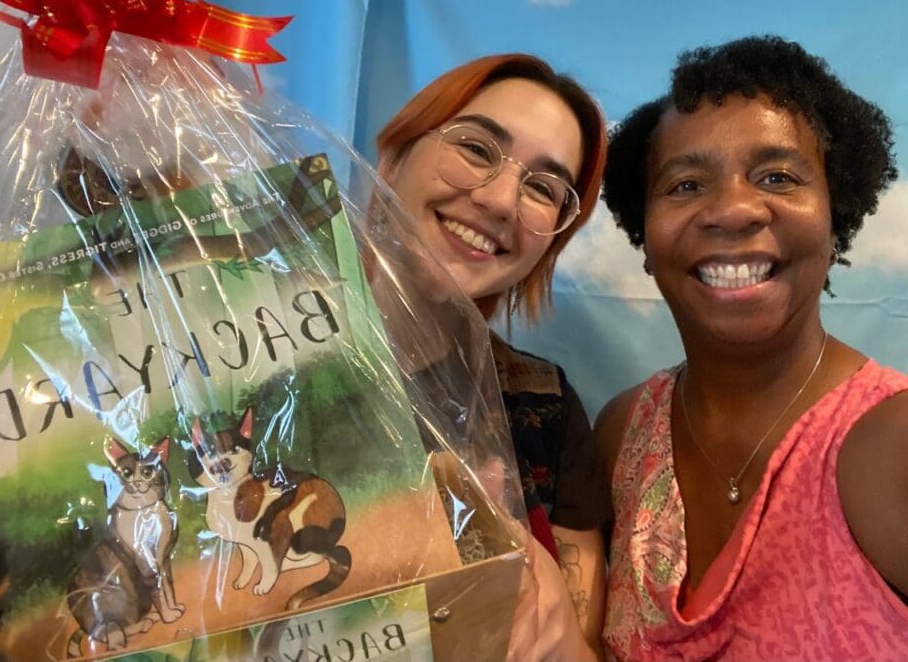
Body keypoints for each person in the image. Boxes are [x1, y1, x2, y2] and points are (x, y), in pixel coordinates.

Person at [596, 35, 907, 660]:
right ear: (645, 237)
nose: (734, 210)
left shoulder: (894, 442)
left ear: (835, 215)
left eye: (778, 176)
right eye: (684, 185)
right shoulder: (622, 432)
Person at [376, 53, 611, 657]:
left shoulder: (544, 408)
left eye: (542, 187)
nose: (503, 201)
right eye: (478, 149)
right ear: (394, 155)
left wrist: (550, 616)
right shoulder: (249, 358)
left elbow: (576, 648)